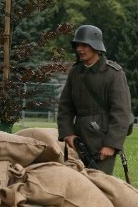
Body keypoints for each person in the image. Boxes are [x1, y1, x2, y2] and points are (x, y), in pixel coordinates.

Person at [57, 25, 133, 176]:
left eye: (85, 45)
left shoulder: (114, 74)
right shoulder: (75, 72)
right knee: (78, 184)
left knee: (101, 184)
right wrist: (68, 134)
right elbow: (65, 107)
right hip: (78, 140)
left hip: (102, 138)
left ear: (96, 47)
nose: (80, 49)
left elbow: (121, 112)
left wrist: (111, 145)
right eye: (78, 45)